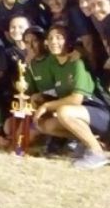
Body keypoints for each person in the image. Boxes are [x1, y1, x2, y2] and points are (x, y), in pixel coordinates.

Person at [31, 25, 109, 169]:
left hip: (102, 114)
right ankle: (89, 143)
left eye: (59, 37)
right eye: (51, 38)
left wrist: (47, 106)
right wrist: (41, 97)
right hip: (82, 114)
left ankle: (97, 154)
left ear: (68, 41)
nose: (54, 41)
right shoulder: (53, 64)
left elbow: (76, 99)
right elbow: (60, 93)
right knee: (44, 124)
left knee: (64, 112)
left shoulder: (77, 62)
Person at [46, 0, 97, 72]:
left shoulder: (75, 12)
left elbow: (88, 41)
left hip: (83, 60)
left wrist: (92, 66)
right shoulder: (55, 17)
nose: (54, 1)